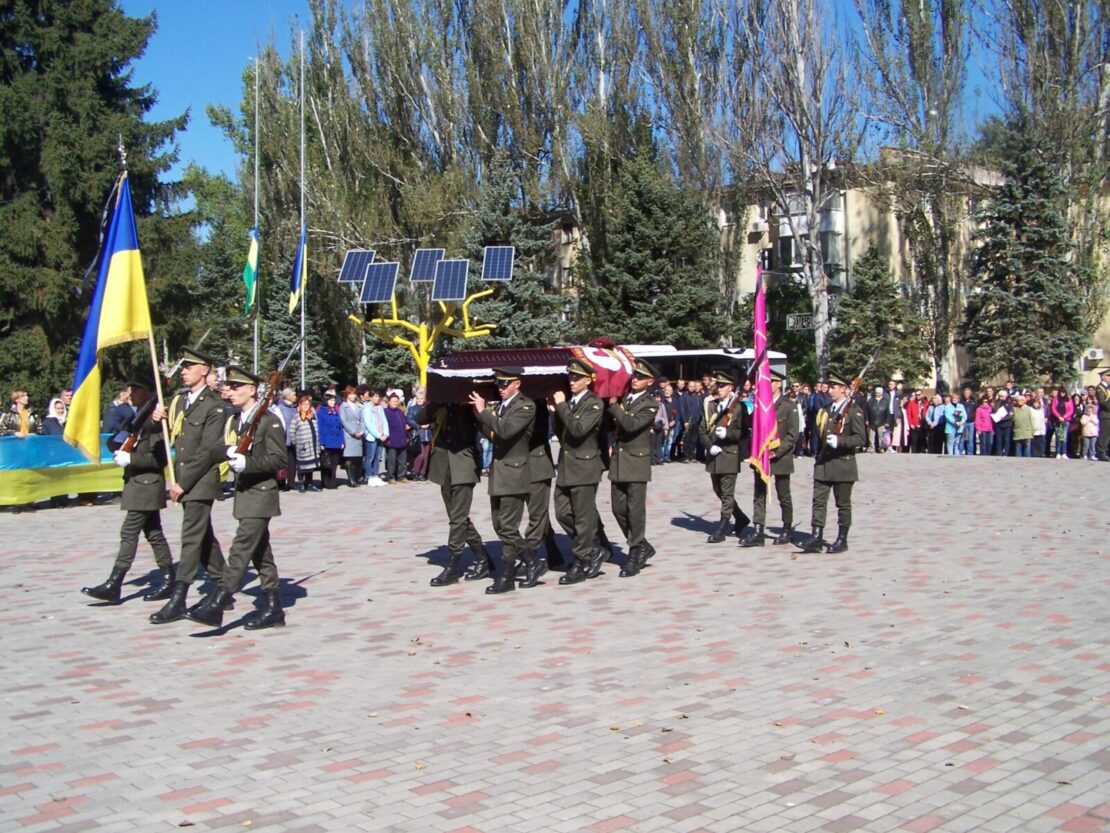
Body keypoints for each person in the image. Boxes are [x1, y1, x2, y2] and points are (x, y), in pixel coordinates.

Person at [185, 366, 287, 630]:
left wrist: (248, 463)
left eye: (236, 387)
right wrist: (229, 451)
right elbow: (215, 448)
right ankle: (275, 609)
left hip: (261, 496)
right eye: (228, 387)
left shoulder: (268, 421)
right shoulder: (236, 420)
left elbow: (279, 459)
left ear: (252, 390)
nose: (230, 392)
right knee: (260, 553)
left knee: (241, 549)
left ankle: (218, 603)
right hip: (244, 494)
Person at [148, 347, 227, 624]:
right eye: (183, 367)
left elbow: (207, 450)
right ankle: (223, 584)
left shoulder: (215, 405)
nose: (183, 371)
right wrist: (157, 419)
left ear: (204, 370)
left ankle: (179, 597)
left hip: (200, 480)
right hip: (183, 476)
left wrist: (182, 483)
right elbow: (173, 436)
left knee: (191, 535)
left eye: (188, 367)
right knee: (203, 535)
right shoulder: (180, 401)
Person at [81, 372, 175, 604]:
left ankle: (114, 583)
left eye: (136, 389)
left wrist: (131, 459)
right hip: (137, 484)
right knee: (153, 533)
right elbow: (117, 438)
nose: (131, 393)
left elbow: (159, 460)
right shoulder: (136, 417)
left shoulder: (155, 422)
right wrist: (117, 444)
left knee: (129, 532)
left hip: (146, 485)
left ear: (149, 393)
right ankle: (168, 579)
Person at [470, 365, 542, 594]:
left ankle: (508, 575)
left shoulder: (526, 406)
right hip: (500, 473)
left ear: (517, 384)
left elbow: (505, 431)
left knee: (508, 527)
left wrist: (484, 412)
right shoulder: (501, 407)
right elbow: (492, 435)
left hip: (514, 473)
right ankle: (532, 562)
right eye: (498, 384)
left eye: (504, 383)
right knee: (499, 525)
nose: (500, 388)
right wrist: (479, 415)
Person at [410, 399, 492, 585]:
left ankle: (453, 566)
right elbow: (419, 417)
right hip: (443, 465)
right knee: (457, 517)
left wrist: (470, 406)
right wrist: (437, 400)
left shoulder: (470, 401)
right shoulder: (441, 402)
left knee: (458, 517)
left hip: (463, 464)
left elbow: (475, 431)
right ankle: (483, 558)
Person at [549, 358, 605, 585]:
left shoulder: (594, 404)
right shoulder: (571, 403)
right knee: (562, 512)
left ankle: (582, 560)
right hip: (567, 465)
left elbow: (578, 429)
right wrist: (556, 411)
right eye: (570, 377)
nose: (571, 381)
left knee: (582, 517)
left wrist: (561, 406)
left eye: (576, 378)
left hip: (584, 466)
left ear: (587, 381)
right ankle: (592, 549)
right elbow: (563, 432)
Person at [799, 373, 867, 554]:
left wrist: (841, 441)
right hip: (824, 463)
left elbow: (861, 439)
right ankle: (816, 536)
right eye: (829, 387)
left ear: (844, 389)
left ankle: (842, 539)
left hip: (843, 464)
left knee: (842, 504)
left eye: (834, 387)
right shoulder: (827, 411)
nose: (830, 390)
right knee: (818, 501)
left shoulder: (854, 411)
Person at [606, 358, 660, 577]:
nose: (635, 379)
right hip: (619, 461)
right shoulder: (624, 399)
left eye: (641, 377)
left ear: (650, 382)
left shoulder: (650, 403)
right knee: (618, 508)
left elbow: (631, 425)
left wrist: (613, 407)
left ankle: (635, 551)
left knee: (635, 510)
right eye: (634, 375)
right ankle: (642, 544)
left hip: (636, 462)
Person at [741, 369, 798, 547]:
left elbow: (792, 434)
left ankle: (787, 529)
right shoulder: (760, 405)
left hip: (780, 458)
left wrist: (777, 451)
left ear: (779, 383)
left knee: (784, 495)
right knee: (759, 494)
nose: (765, 385)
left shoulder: (789, 405)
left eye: (769, 382)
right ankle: (758, 530)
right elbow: (752, 427)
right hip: (761, 456)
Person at [697, 370, 750, 543]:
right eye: (717, 385)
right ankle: (741, 517)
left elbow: (742, 433)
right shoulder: (711, 405)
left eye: (723, 386)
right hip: (714, 455)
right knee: (718, 490)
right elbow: (702, 429)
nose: (719, 389)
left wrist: (727, 434)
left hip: (729, 454)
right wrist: (709, 445)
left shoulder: (738, 407)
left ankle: (722, 526)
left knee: (727, 492)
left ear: (731, 388)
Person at [287, 394, 321, 492]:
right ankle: (301, 483)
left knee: (311, 466)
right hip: (303, 446)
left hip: (313, 445)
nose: (306, 406)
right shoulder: (297, 417)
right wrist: (296, 443)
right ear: (300, 405)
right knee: (302, 466)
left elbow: (316, 429)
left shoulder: (313, 416)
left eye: (308, 404)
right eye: (304, 404)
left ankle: (309, 483)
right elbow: (292, 431)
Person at [316, 391, 344, 488]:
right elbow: (320, 429)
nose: (333, 402)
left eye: (334, 400)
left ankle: (332, 481)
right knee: (325, 464)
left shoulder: (336, 411)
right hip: (327, 441)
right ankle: (325, 482)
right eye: (331, 400)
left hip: (336, 442)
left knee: (334, 463)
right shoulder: (321, 412)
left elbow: (340, 428)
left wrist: (342, 441)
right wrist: (321, 443)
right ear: (326, 401)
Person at [361, 388, 388, 484]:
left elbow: (384, 421)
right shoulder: (366, 408)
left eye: (378, 397)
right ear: (371, 397)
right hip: (372, 437)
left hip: (381, 436)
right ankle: (369, 476)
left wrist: (385, 433)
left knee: (378, 457)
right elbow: (368, 424)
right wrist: (378, 435)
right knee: (370, 457)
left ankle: (376, 475)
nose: (377, 398)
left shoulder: (380, 408)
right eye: (375, 396)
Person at [382, 393, 409, 483]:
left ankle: (401, 476)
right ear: (389, 402)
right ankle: (391, 477)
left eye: (397, 401)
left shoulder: (400, 411)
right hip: (392, 440)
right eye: (393, 401)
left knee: (403, 460)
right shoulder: (385, 412)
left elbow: (404, 422)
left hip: (402, 439)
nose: (395, 403)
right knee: (392, 460)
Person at [1050, 388, 1073, 459]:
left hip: (1065, 421)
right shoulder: (1056, 400)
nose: (1062, 394)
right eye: (1061, 392)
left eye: (1063, 392)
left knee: (1064, 437)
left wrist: (1064, 417)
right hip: (1058, 421)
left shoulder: (1069, 400)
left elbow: (1071, 410)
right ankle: (1058, 452)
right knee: (1059, 437)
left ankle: (1063, 452)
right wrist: (1059, 417)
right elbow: (1053, 409)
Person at [864, 386, 887, 452]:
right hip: (872, 420)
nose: (878, 394)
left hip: (882, 421)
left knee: (881, 435)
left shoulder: (885, 401)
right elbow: (866, 411)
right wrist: (867, 419)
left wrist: (887, 421)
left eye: (879, 393)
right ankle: (872, 447)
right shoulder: (870, 400)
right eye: (877, 393)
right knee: (871, 436)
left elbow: (887, 412)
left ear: (881, 393)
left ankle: (881, 448)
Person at [1012, 392, 1033, 457]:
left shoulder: (1028, 409)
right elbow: (1012, 420)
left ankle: (1027, 459)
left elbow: (1031, 420)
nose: (1020, 402)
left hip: (1027, 430)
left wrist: (1031, 430)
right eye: (1019, 400)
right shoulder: (1014, 409)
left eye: (1021, 400)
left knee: (1027, 445)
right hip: (1018, 430)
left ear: (1024, 401)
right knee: (1018, 445)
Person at [1095, 368, 1110, 460]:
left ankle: (1106, 450)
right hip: (1105, 414)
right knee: (1104, 434)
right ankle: (1101, 452)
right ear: (1102, 377)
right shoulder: (1100, 388)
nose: (1109, 377)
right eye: (1108, 376)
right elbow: (1102, 402)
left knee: (1108, 435)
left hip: (1109, 415)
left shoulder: (1108, 387)